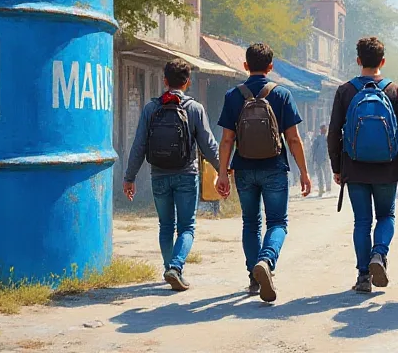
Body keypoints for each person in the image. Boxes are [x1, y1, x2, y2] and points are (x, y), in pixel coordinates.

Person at [215, 43, 311, 303]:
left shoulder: (233, 96)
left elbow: (226, 140)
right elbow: (293, 139)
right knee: (277, 222)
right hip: (275, 169)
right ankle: (267, 261)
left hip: (244, 169)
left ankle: (253, 276)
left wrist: (222, 173)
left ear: (245, 66)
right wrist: (304, 172)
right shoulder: (282, 95)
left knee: (250, 222)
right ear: (271, 67)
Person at [328, 37, 398, 293]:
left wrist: (337, 167)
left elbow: (334, 132)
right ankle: (379, 254)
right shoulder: (395, 91)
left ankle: (363, 276)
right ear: (383, 61)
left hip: (355, 167)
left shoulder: (345, 91)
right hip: (387, 167)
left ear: (358, 61)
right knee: (386, 216)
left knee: (361, 222)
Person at [122, 59, 221, 291]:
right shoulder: (195, 108)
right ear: (187, 82)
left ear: (165, 81)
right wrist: (223, 169)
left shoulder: (151, 108)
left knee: (166, 225)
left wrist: (129, 177)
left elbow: (138, 146)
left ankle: (169, 267)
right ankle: (175, 268)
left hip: (159, 175)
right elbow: (208, 145)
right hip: (187, 175)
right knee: (186, 227)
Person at [311, 125, 332, 197]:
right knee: (322, 175)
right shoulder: (318, 139)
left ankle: (327, 189)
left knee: (326, 175)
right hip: (319, 160)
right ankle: (322, 189)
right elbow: (313, 149)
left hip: (324, 159)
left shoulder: (327, 138)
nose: (324, 131)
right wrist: (313, 159)